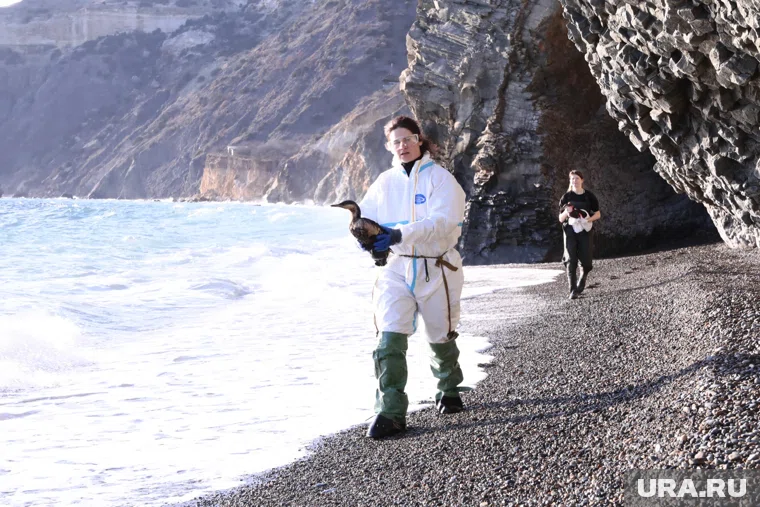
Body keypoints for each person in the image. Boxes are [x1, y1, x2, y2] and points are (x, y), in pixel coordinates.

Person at [358, 115, 467, 439]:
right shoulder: (384, 182)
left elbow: (444, 222)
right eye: (396, 142)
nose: (402, 146)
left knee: (440, 334)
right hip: (396, 267)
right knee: (388, 335)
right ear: (389, 146)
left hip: (437, 266)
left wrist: (398, 233)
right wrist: (366, 240)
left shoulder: (441, 179)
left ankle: (448, 388)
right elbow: (365, 218)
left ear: (419, 139)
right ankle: (390, 411)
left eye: (407, 139)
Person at [558, 170, 601, 299]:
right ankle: (573, 290)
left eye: (577, 178)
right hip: (570, 230)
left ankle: (583, 276)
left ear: (582, 180)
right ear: (570, 181)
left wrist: (587, 220)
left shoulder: (589, 196)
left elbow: (598, 214)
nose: (575, 181)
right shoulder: (566, 197)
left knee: (586, 262)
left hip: (585, 230)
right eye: (572, 179)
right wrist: (567, 212)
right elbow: (560, 219)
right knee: (570, 260)